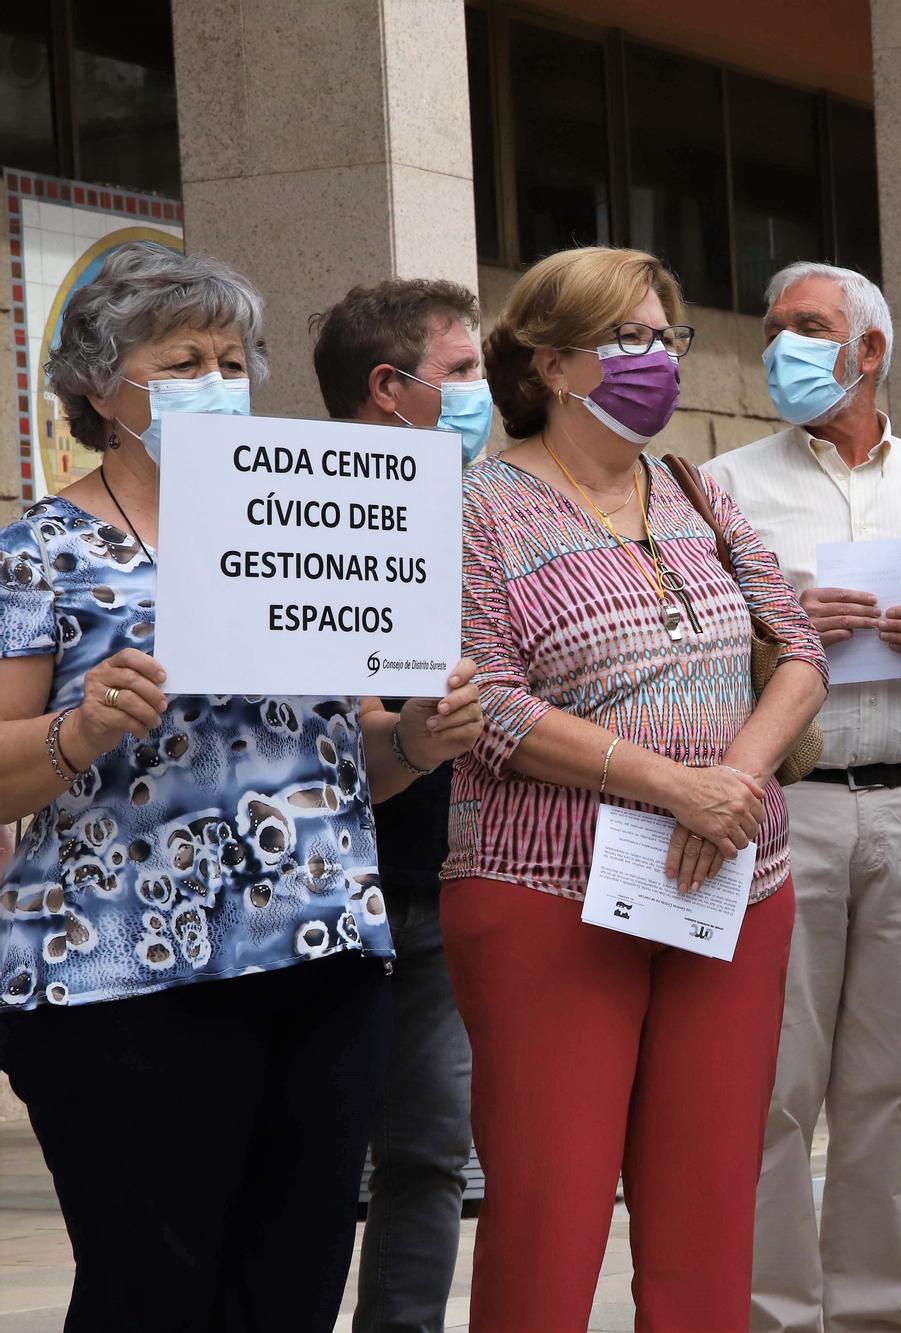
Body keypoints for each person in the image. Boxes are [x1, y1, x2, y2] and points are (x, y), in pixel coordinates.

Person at [0, 242, 483, 1332]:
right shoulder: (38, 552)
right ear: (97, 386)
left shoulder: (306, 520)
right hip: (120, 978)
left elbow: (348, 753)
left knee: (294, 1288)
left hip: (319, 956)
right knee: (152, 1293)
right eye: (183, 360)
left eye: (231, 359)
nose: (217, 382)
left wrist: (418, 740)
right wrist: (78, 729)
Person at [445, 246, 828, 1330]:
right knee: (546, 1215)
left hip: (729, 884)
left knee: (708, 1209)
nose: (656, 360)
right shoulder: (479, 508)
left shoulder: (695, 487)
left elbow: (796, 650)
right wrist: (674, 786)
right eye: (628, 341)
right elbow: (495, 706)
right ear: (554, 364)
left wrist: (732, 784)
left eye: (667, 337)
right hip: (543, 893)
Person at [703, 262, 901, 1333]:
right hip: (787, 801)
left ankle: (869, 1313)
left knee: (887, 1083)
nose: (781, 346)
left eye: (807, 328)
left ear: (870, 350)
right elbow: (687, 654)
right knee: (774, 1085)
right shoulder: (719, 481)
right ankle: (775, 1314)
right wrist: (774, 627)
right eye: (773, 328)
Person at [310, 275, 492, 1333]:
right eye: (462, 371)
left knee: (427, 1156)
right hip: (318, 896)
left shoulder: (493, 508)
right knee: (310, 1159)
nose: (481, 392)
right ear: (391, 387)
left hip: (446, 889)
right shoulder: (298, 514)